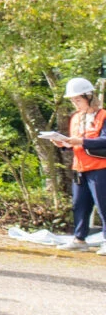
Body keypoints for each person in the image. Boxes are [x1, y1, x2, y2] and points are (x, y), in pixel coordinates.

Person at [48, 77, 106, 249]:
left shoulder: (103, 116)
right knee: (79, 205)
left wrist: (80, 141)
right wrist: (64, 144)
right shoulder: (76, 118)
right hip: (80, 167)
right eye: (73, 100)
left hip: (100, 168)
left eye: (78, 100)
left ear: (88, 97)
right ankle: (79, 239)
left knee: (103, 205)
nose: (75, 103)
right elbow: (75, 143)